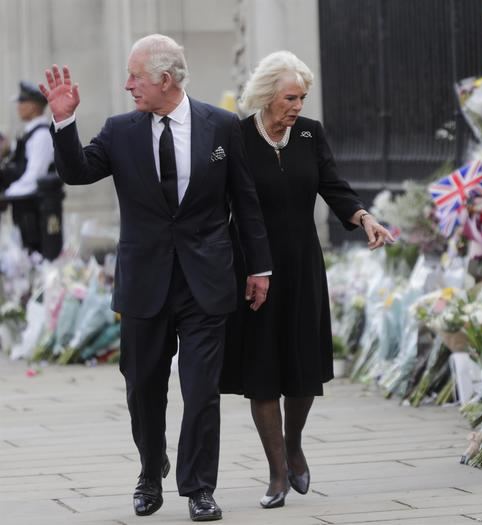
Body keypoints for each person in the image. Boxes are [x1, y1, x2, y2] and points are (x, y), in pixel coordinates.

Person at [39, 34, 272, 522]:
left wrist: (259, 267)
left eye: (135, 77)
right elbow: (77, 172)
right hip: (146, 280)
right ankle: (150, 471)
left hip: (206, 278)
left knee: (201, 389)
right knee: (142, 386)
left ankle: (199, 487)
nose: (127, 86)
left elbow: (245, 202)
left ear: (165, 80)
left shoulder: (223, 126)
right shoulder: (121, 130)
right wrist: (64, 120)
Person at [220, 50, 394, 509]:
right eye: (290, 97)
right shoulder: (236, 137)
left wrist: (362, 217)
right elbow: (224, 198)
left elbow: (331, 184)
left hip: (301, 265)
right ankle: (277, 472)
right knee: (261, 371)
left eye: (302, 97)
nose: (297, 106)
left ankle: (293, 442)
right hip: (255, 267)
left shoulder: (310, 134)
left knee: (300, 368)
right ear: (266, 96)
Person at [0, 81, 55, 252]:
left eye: (22, 102)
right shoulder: (29, 133)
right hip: (24, 209)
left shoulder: (41, 136)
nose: (18, 107)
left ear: (32, 106)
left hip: (34, 211)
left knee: (35, 255)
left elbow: (34, 177)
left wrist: (6, 194)